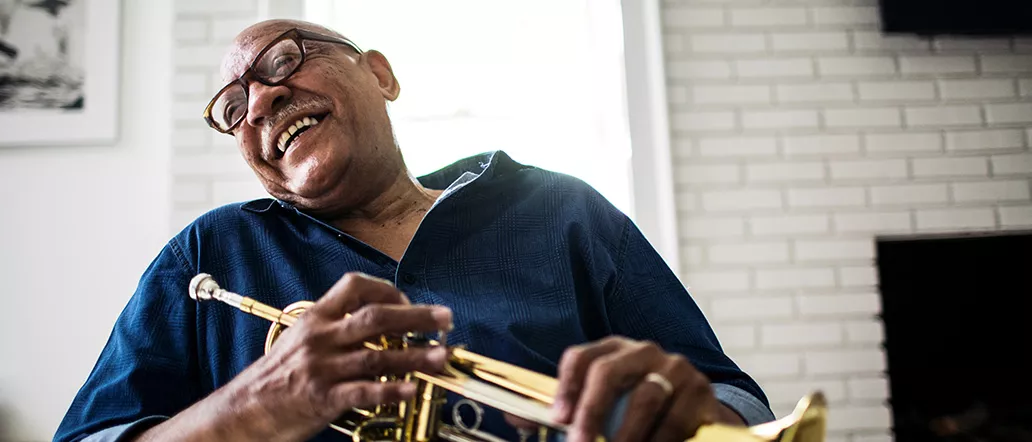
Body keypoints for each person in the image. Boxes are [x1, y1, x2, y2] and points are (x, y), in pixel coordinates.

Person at [54, 19, 773, 442]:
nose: (263, 99)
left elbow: (736, 405)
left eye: (283, 62)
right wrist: (252, 406)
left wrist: (684, 412)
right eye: (234, 106)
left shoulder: (565, 211)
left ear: (381, 75)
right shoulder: (207, 257)